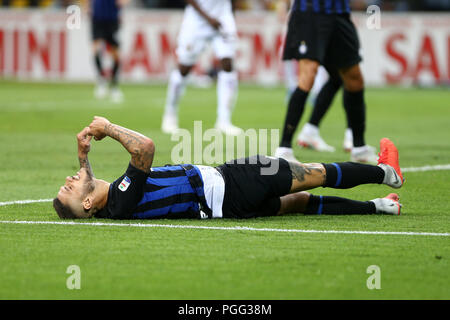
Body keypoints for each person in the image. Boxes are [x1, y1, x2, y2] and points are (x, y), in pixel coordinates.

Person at [53, 116, 405, 220]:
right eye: (68, 188)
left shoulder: (115, 203)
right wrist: (108, 128)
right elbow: (144, 148)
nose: (70, 179)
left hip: (231, 206)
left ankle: (379, 207)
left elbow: (86, 181)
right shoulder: (119, 199)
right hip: (233, 183)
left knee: (302, 203)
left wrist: (83, 155)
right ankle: (387, 173)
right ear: (86, 204)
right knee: (314, 173)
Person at [274, 0, 378, 164]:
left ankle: (359, 148)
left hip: (339, 14)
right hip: (310, 13)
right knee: (308, 75)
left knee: (354, 79)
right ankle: (284, 149)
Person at [161, 0, 243, 136]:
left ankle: (224, 120)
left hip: (223, 19)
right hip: (196, 21)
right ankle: (170, 115)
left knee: (227, 64)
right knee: (184, 68)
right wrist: (209, 18)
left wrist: (231, 19)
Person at [89, 0, 129, 103]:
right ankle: (101, 80)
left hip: (112, 20)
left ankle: (114, 85)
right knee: (96, 49)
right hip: (97, 19)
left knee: (116, 54)